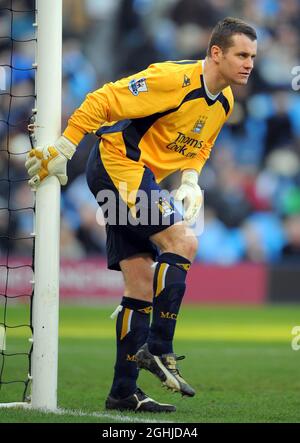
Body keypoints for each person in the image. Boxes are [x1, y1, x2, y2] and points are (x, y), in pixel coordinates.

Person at [25, 17, 257, 413]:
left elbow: (199, 146)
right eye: (241, 54)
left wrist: (190, 180)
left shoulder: (226, 101)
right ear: (216, 53)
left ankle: (123, 392)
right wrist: (65, 147)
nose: (249, 63)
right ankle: (159, 345)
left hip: (140, 174)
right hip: (118, 162)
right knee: (183, 240)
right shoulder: (172, 79)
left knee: (140, 282)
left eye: (253, 55)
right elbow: (104, 99)